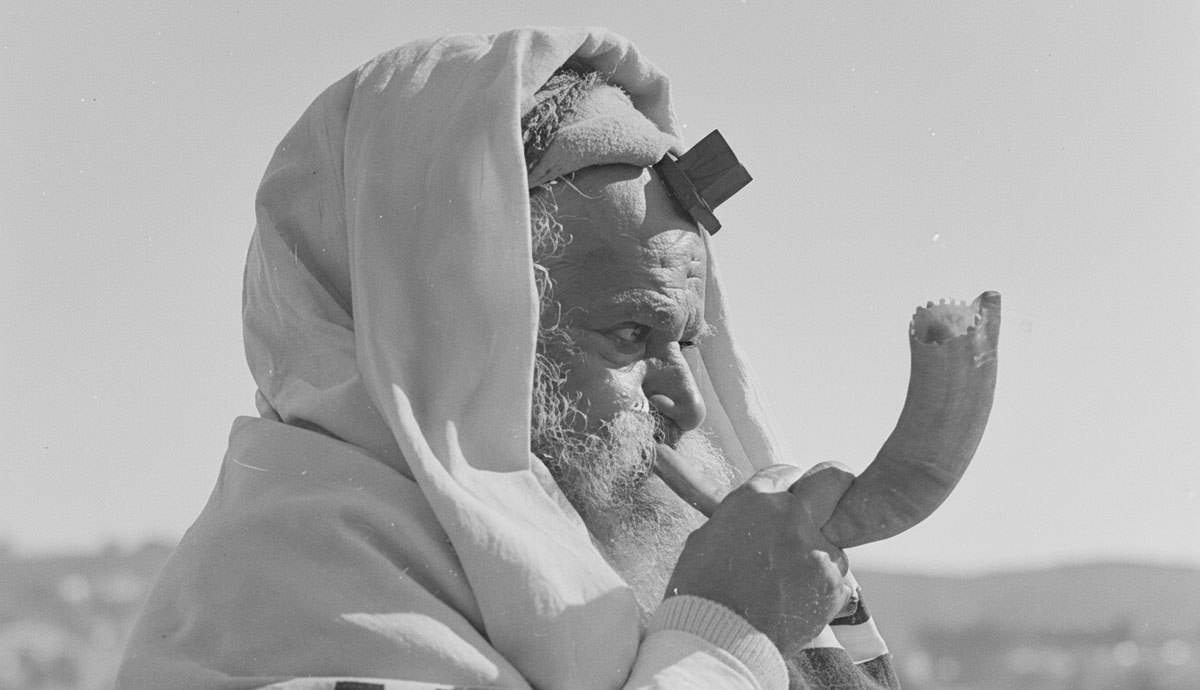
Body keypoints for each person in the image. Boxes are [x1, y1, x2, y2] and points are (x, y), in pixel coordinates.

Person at [117, 27, 900, 690]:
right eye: (630, 338)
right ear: (442, 336)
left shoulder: (602, 566)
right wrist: (726, 636)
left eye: (688, 341)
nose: (690, 405)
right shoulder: (282, 600)